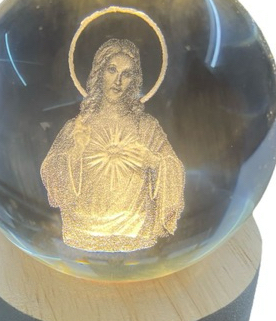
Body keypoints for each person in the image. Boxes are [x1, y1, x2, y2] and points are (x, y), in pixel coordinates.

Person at [41, 38, 185, 252]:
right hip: (83, 228)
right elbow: (51, 172)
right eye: (112, 70)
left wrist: (153, 162)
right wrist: (76, 151)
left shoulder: (146, 127)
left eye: (126, 74)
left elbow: (174, 167)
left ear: (134, 81)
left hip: (135, 227)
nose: (118, 81)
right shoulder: (78, 126)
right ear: (99, 73)